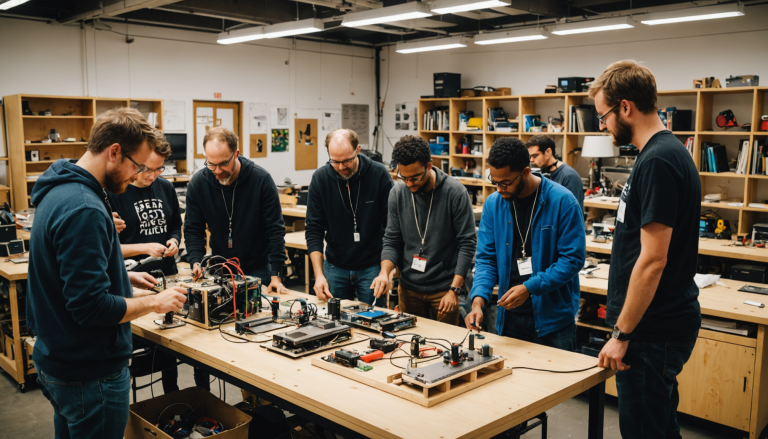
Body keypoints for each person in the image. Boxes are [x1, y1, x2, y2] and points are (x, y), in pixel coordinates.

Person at [27, 108, 188, 439]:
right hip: (88, 371)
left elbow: (66, 274)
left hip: (59, 360)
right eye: (137, 166)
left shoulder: (61, 187)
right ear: (114, 151)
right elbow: (91, 308)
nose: (138, 175)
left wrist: (122, 276)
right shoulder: (83, 208)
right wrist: (156, 302)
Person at [592, 60, 701, 439]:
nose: (602, 125)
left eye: (603, 115)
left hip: (650, 332)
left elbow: (653, 260)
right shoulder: (662, 153)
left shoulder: (657, 160)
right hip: (654, 327)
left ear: (625, 107)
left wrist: (621, 335)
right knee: (659, 426)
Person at [107, 129, 210, 393]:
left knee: (184, 336)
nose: (152, 175)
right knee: (157, 346)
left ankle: (195, 392)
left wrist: (175, 240)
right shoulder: (117, 191)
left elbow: (175, 223)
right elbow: (107, 247)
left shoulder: (165, 187)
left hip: (168, 273)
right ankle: (167, 400)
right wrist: (143, 248)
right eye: (146, 169)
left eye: (158, 169)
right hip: (136, 280)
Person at [466, 137, 585, 350]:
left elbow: (572, 260)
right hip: (508, 319)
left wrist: (529, 288)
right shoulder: (494, 204)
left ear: (526, 172)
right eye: (495, 182)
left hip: (553, 323)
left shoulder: (563, 202)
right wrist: (478, 300)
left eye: (505, 183)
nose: (499, 189)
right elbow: (486, 258)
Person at [372, 135, 476, 324]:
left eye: (415, 177)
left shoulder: (455, 192)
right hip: (409, 288)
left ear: (429, 165)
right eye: (404, 177)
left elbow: (467, 244)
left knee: (446, 344)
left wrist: (454, 290)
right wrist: (384, 272)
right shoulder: (397, 193)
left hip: (445, 289)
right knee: (409, 342)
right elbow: (392, 239)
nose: (410, 183)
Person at [185, 127, 287, 312]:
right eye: (211, 164)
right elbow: (193, 229)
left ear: (236, 154)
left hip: (257, 270)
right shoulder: (199, 183)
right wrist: (195, 261)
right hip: (219, 270)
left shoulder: (261, 180)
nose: (217, 171)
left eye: (223, 163)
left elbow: (275, 230)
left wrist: (276, 275)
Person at [305, 129, 393, 306]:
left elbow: (392, 228)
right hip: (335, 266)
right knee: (333, 322)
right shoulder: (320, 178)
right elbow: (314, 229)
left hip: (372, 266)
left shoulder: (379, 174)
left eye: (347, 161)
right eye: (335, 161)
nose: (341, 167)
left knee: (374, 320)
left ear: (358, 150)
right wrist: (319, 275)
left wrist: (385, 271)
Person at [526, 134, 584, 211]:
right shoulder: (539, 172)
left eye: (535, 155)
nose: (531, 160)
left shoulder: (569, 176)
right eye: (530, 156)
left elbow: (574, 211)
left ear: (548, 152)